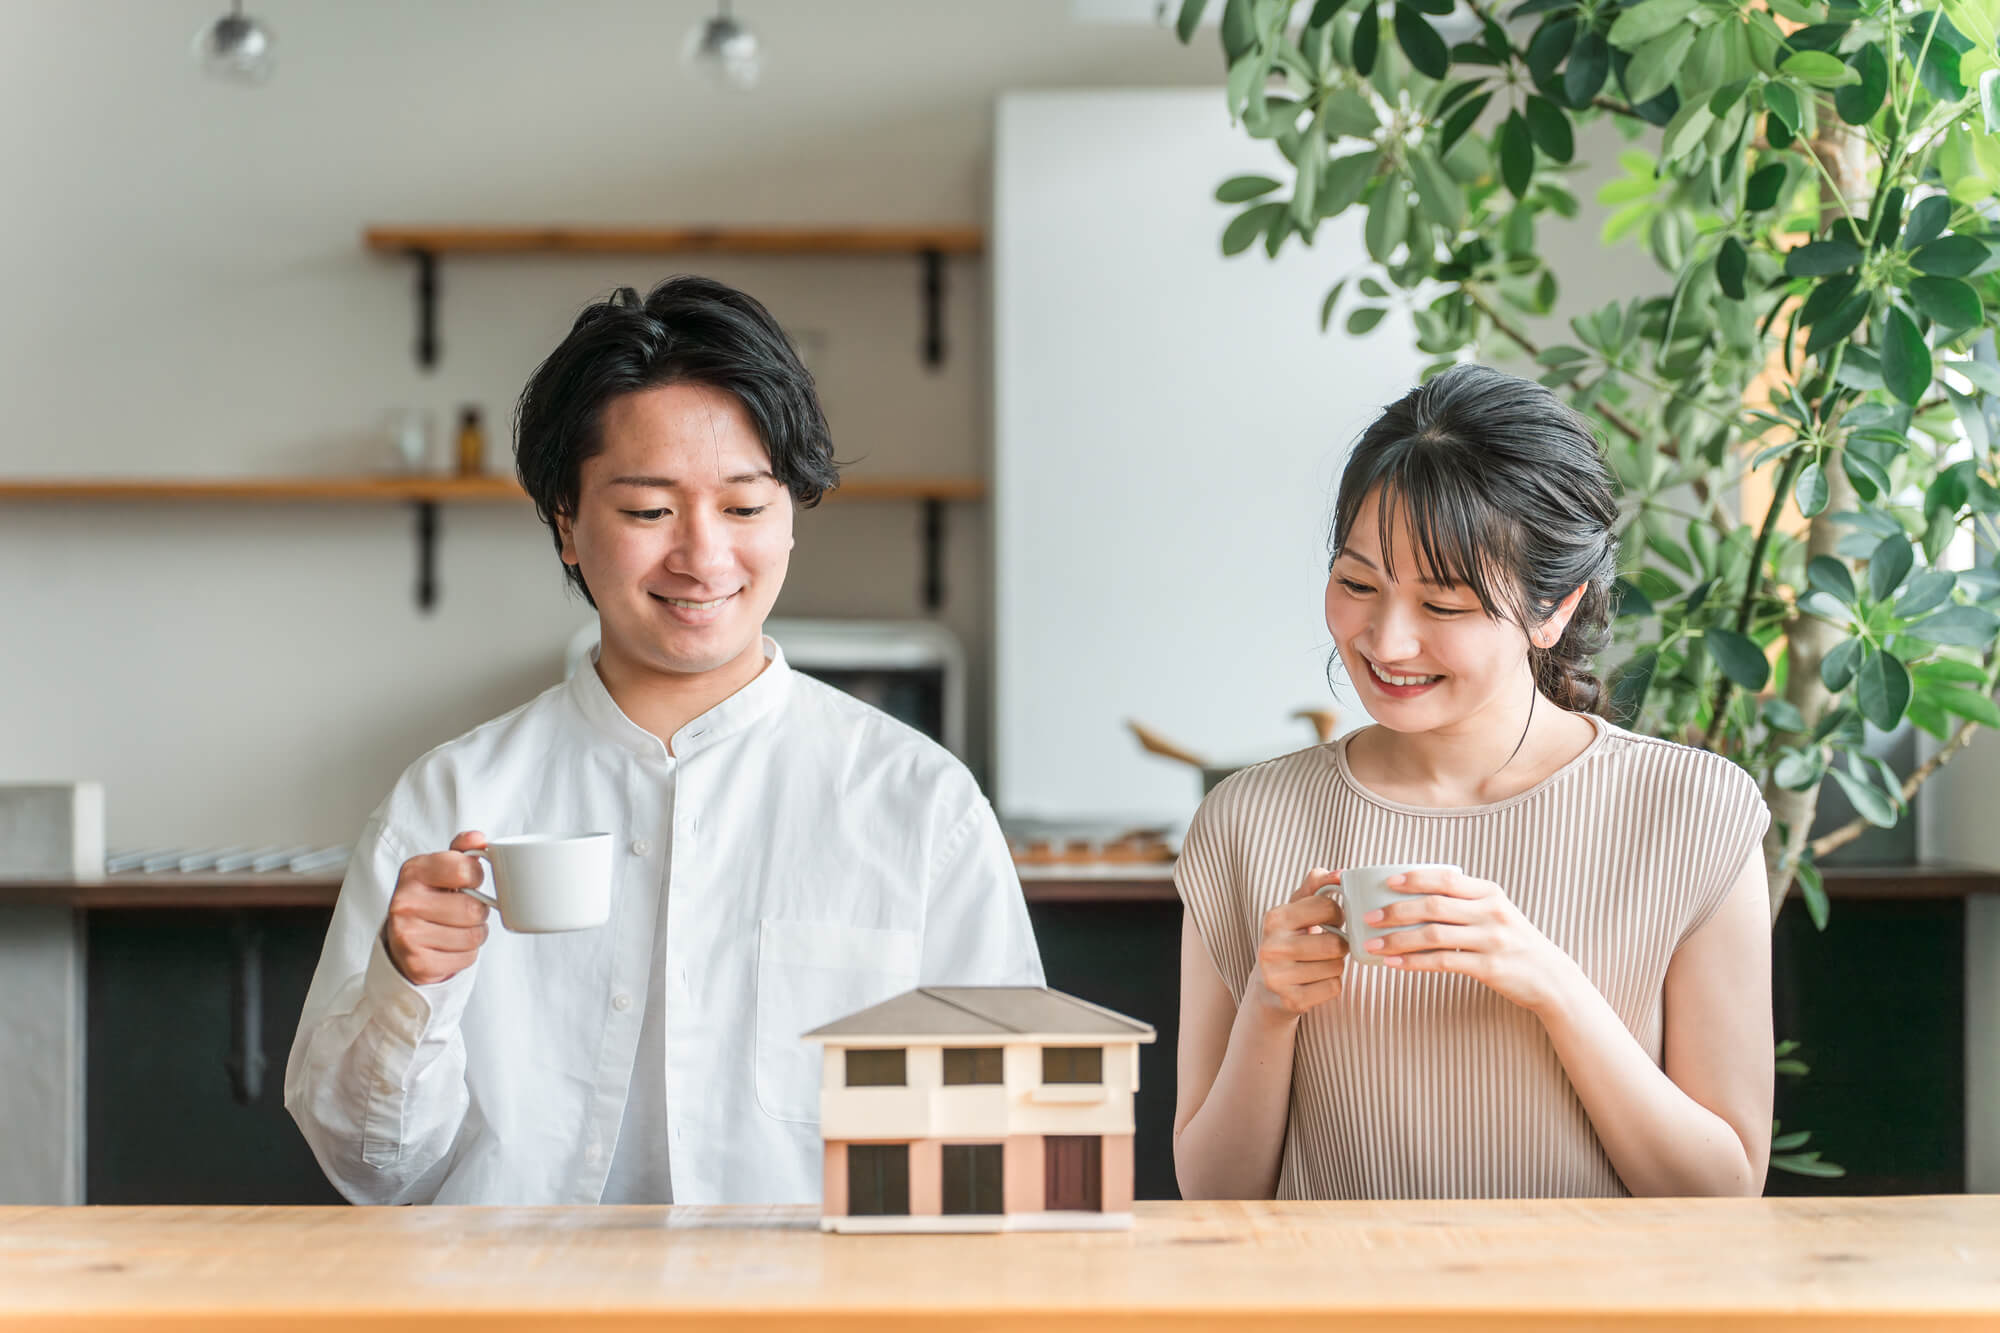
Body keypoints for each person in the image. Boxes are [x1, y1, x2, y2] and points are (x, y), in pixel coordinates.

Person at [285, 276, 1044, 1206]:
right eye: (649, 511)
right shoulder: (449, 803)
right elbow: (370, 1172)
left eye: (745, 506)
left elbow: (1008, 1148)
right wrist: (411, 986)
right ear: (567, 525)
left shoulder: (921, 803)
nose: (703, 556)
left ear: (792, 516)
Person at [1172, 363, 1773, 1201]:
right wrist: (1268, 1009)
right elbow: (1213, 1197)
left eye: (1444, 606)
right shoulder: (1247, 821)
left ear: (1553, 609)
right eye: (1356, 585)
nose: (1387, 639)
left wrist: (1552, 984)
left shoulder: (1694, 813)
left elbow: (1725, 1189)